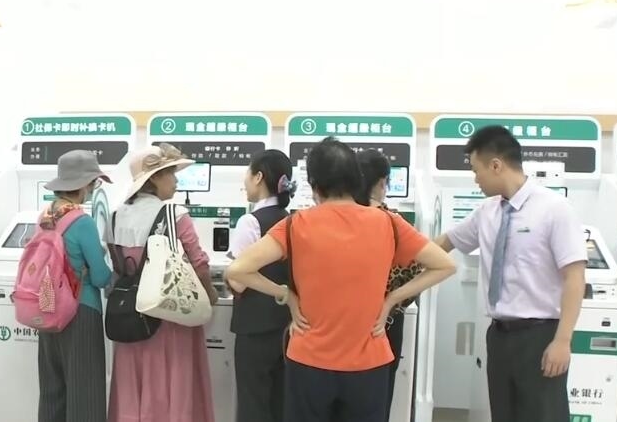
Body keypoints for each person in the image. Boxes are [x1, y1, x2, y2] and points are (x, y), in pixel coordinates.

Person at [225, 137, 455, 422]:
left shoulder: (295, 225)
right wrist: (392, 300)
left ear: (314, 184)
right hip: (369, 361)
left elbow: (237, 270)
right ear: (356, 179)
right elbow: (445, 265)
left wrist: (286, 295)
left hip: (308, 360)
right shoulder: (389, 223)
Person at [433, 126, 586, 422]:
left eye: (476, 171)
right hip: (500, 336)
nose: (475, 179)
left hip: (541, 336)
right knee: (503, 414)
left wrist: (562, 341)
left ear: (496, 165)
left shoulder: (554, 209)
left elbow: (575, 277)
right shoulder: (487, 211)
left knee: (543, 415)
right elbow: (445, 243)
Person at [108, 143, 217, 422]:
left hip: (130, 315)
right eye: (171, 173)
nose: (176, 181)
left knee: (133, 384)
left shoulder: (115, 215)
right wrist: (210, 295)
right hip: (170, 314)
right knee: (172, 383)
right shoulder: (175, 215)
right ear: (154, 178)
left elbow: (117, 266)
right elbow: (199, 263)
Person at [37, 150, 114, 422]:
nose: (93, 188)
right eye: (94, 182)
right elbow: (101, 277)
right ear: (83, 185)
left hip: (47, 308)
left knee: (52, 390)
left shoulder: (46, 216)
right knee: (85, 392)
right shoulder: (82, 222)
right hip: (80, 312)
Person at [355, 148, 426, 422]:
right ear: (382, 182)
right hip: (385, 327)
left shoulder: (336, 219)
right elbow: (422, 271)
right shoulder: (393, 223)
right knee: (378, 401)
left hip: (340, 323)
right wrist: (391, 300)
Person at [225, 149, 294, 422]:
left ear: (258, 177)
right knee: (280, 403)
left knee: (253, 404)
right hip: (288, 326)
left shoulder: (250, 222)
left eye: (248, 173)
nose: (245, 181)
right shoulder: (292, 221)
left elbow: (238, 281)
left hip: (254, 328)